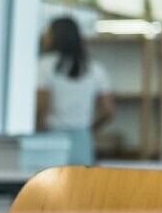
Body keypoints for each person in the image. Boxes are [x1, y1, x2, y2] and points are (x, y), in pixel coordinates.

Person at [36, 16, 114, 165]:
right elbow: (108, 111)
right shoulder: (95, 68)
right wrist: (89, 129)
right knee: (80, 186)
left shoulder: (45, 66)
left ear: (56, 36)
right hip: (82, 141)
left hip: (52, 140)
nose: (44, 36)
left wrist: (37, 133)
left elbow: (42, 108)